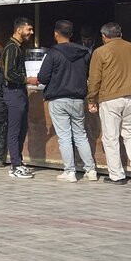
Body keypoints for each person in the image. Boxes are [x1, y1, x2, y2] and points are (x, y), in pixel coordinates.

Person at [36, 20, 98, 182]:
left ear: (56, 34)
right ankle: (91, 170)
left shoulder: (53, 53)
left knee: (64, 136)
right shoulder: (84, 53)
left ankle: (70, 171)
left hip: (58, 99)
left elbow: (42, 77)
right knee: (81, 135)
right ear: (71, 34)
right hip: (78, 99)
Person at [87, 22, 131, 185]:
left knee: (110, 137)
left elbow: (94, 79)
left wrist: (91, 99)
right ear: (120, 34)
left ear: (104, 36)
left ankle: (117, 175)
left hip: (110, 98)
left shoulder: (100, 52)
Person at [1, 17, 35, 178]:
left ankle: (18, 162)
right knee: (15, 130)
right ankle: (15, 165)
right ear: (19, 30)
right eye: (29, 29)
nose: (31, 32)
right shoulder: (12, 48)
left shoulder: (18, 47)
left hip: (19, 92)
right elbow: (8, 74)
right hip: (13, 92)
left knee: (21, 129)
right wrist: (27, 79)